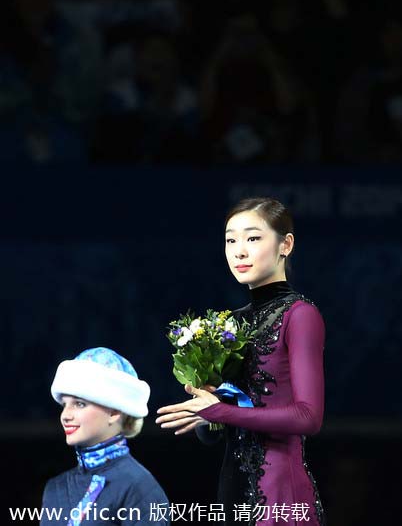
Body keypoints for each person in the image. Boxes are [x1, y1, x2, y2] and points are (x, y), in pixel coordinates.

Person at [156, 197, 326, 526]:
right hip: (233, 488)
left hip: (278, 492)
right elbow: (217, 431)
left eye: (253, 238)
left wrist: (218, 411)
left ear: (286, 245)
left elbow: (308, 417)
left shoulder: (300, 315)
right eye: (231, 240)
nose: (239, 251)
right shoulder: (229, 325)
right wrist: (206, 414)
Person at [42, 347, 169, 525]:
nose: (65, 415)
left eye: (79, 404)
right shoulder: (55, 488)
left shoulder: (140, 488)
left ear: (114, 411)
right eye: (65, 405)